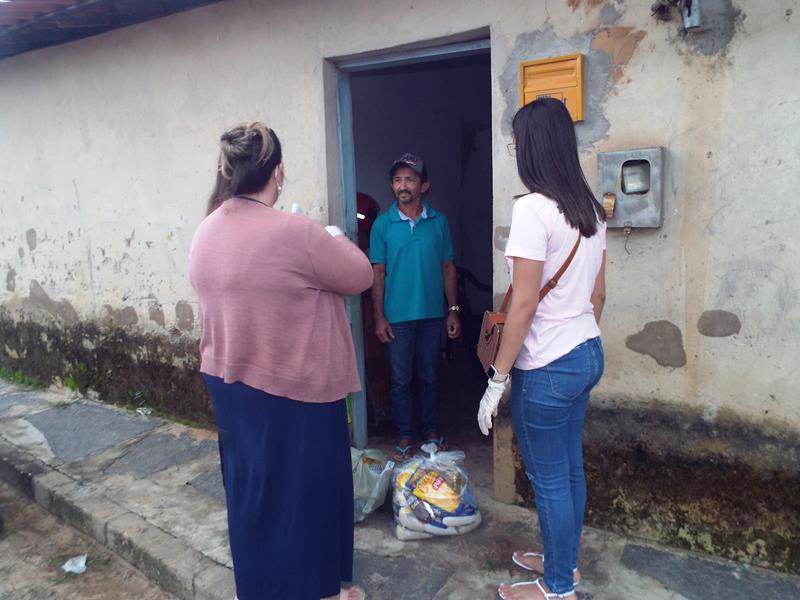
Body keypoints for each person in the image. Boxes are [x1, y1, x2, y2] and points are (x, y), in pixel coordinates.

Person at [189, 122, 372, 600]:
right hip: (294, 389)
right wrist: (334, 235)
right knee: (306, 498)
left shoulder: (206, 229)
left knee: (254, 497)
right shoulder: (294, 231)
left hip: (230, 384)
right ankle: (321, 592)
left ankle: (260, 588)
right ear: (279, 172)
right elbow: (358, 276)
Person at [477, 98, 607, 600]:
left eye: (514, 142)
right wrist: (573, 339)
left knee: (550, 479)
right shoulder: (590, 208)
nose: (514, 151)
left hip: (549, 366)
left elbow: (525, 302)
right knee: (568, 468)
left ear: (531, 147)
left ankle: (556, 588)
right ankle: (564, 563)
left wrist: (498, 378)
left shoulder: (532, 209)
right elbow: (598, 296)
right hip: (586, 353)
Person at [369, 153, 461, 461]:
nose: (402, 185)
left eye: (409, 179)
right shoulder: (383, 225)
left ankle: (431, 431)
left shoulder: (439, 222)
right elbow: (377, 272)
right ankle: (406, 435)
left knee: (430, 376)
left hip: (433, 315)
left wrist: (454, 310)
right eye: (397, 180)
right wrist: (379, 317)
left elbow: (448, 267)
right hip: (397, 318)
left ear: (424, 185)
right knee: (400, 380)